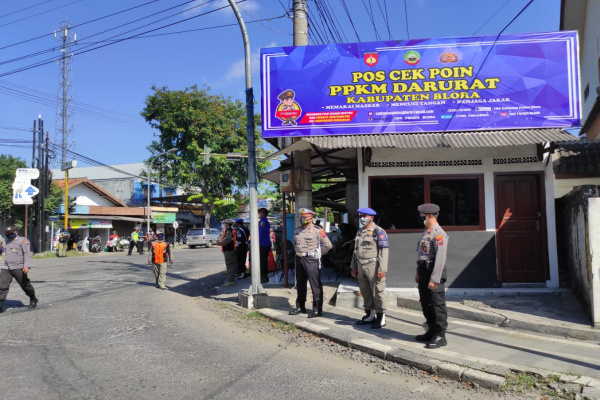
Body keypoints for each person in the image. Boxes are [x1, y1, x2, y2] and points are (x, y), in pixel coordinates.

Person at [415, 203, 449, 349]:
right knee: (426, 303)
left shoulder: (438, 233)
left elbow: (440, 259)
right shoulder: (426, 232)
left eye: (421, 215)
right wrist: (418, 273)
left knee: (436, 305)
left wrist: (435, 279)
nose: (420, 217)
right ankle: (431, 331)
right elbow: (421, 254)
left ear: (429, 215)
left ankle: (440, 336)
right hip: (424, 271)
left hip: (434, 272)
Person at [350, 207, 389, 329]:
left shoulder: (379, 231)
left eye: (365, 216)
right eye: (361, 216)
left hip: (373, 265)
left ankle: (381, 317)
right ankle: (369, 315)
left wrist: (382, 269)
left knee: (377, 291)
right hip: (361, 265)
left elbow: (384, 251)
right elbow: (355, 251)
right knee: (365, 291)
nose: (362, 218)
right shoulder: (360, 232)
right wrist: (354, 266)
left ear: (372, 217)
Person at [289, 208, 332, 318]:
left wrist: (318, 254)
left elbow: (328, 245)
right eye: (302, 217)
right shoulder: (297, 230)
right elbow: (295, 243)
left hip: (312, 259)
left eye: (305, 217)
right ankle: (300, 306)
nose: (303, 219)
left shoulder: (318, 230)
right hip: (299, 259)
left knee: (315, 285)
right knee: (300, 284)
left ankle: (317, 309)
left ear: (311, 218)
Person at [0, 227, 38, 313]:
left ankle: (33, 298)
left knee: (25, 285)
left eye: (10, 233)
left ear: (16, 232)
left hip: (19, 267)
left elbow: (26, 253)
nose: (8, 235)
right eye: (7, 233)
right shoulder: (7, 241)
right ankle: (0, 304)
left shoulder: (23, 241)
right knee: (1, 286)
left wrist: (27, 266)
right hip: (6, 267)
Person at [220, 221, 237, 287]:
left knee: (231, 265)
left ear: (228, 224)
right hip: (229, 250)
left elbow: (228, 239)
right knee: (230, 264)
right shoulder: (229, 230)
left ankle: (231, 281)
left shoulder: (229, 230)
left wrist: (221, 243)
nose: (224, 225)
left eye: (225, 224)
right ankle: (231, 279)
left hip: (229, 250)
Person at [258, 207, 271, 284]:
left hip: (262, 244)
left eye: (260, 213)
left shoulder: (262, 221)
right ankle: (263, 276)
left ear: (263, 213)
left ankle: (263, 276)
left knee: (262, 261)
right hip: (265, 244)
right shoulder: (265, 221)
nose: (259, 214)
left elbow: (260, 233)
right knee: (264, 261)